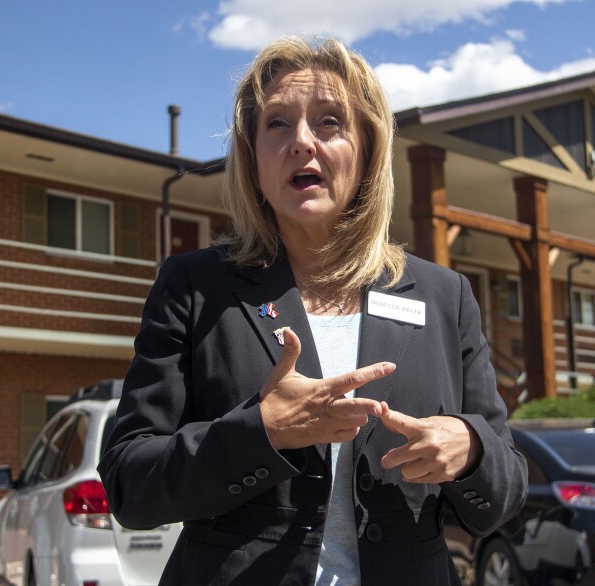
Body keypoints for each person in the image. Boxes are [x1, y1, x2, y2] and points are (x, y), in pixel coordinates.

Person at [98, 36, 527, 586]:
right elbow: (130, 484)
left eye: (329, 122)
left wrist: (469, 451)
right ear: (253, 159)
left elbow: (505, 490)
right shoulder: (195, 287)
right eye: (277, 123)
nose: (302, 141)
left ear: (367, 150)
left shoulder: (444, 297)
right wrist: (260, 431)